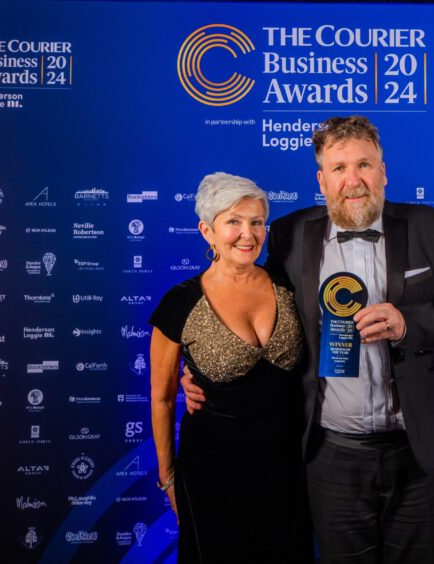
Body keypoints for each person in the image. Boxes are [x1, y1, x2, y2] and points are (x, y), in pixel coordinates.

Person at [184, 116, 434, 563]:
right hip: (330, 452)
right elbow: (264, 318)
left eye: (364, 165)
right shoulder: (288, 235)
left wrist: (407, 323)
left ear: (383, 171)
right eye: (339, 168)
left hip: (417, 448)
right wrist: (207, 374)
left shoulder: (432, 227)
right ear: (321, 180)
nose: (354, 180)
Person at [148, 172, 313, 563]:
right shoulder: (180, 303)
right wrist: (168, 477)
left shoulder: (289, 283)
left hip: (288, 465)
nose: (247, 234)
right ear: (207, 231)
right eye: (233, 222)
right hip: (213, 470)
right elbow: (162, 398)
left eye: (256, 222)